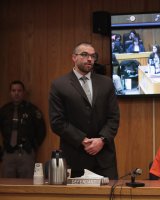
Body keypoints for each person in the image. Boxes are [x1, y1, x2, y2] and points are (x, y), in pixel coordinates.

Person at [49, 42, 120, 179]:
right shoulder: (59, 85)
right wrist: (83, 140)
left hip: (104, 157)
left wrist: (101, 140)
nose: (90, 59)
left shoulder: (106, 83)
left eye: (93, 56)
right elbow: (57, 121)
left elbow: (113, 117)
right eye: (84, 55)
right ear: (74, 57)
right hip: (75, 157)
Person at [0, 80, 46, 178]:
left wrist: (33, 146)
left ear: (23, 92)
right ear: (10, 92)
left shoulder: (32, 110)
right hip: (8, 153)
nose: (16, 93)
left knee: (27, 185)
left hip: (26, 153)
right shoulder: (4, 110)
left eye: (19, 91)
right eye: (13, 90)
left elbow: (41, 131)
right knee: (7, 186)